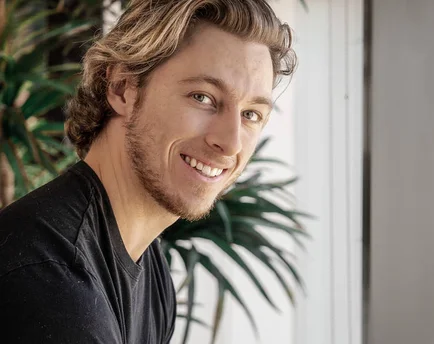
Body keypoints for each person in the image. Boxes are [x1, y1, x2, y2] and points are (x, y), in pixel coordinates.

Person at [0, 0, 296, 342]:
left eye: (251, 114)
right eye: (202, 97)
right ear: (123, 89)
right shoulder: (51, 280)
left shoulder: (146, 263)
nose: (230, 143)